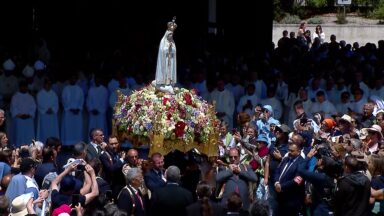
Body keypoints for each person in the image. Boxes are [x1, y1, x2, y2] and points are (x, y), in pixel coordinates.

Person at [155, 16, 177, 93]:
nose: (171, 36)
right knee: (165, 72)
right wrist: (168, 48)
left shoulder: (173, 43)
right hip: (165, 61)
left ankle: (169, 83)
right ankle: (162, 83)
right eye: (170, 34)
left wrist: (172, 48)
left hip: (170, 61)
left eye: (172, 34)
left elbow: (174, 51)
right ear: (167, 35)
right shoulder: (163, 41)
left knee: (170, 72)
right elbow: (162, 51)